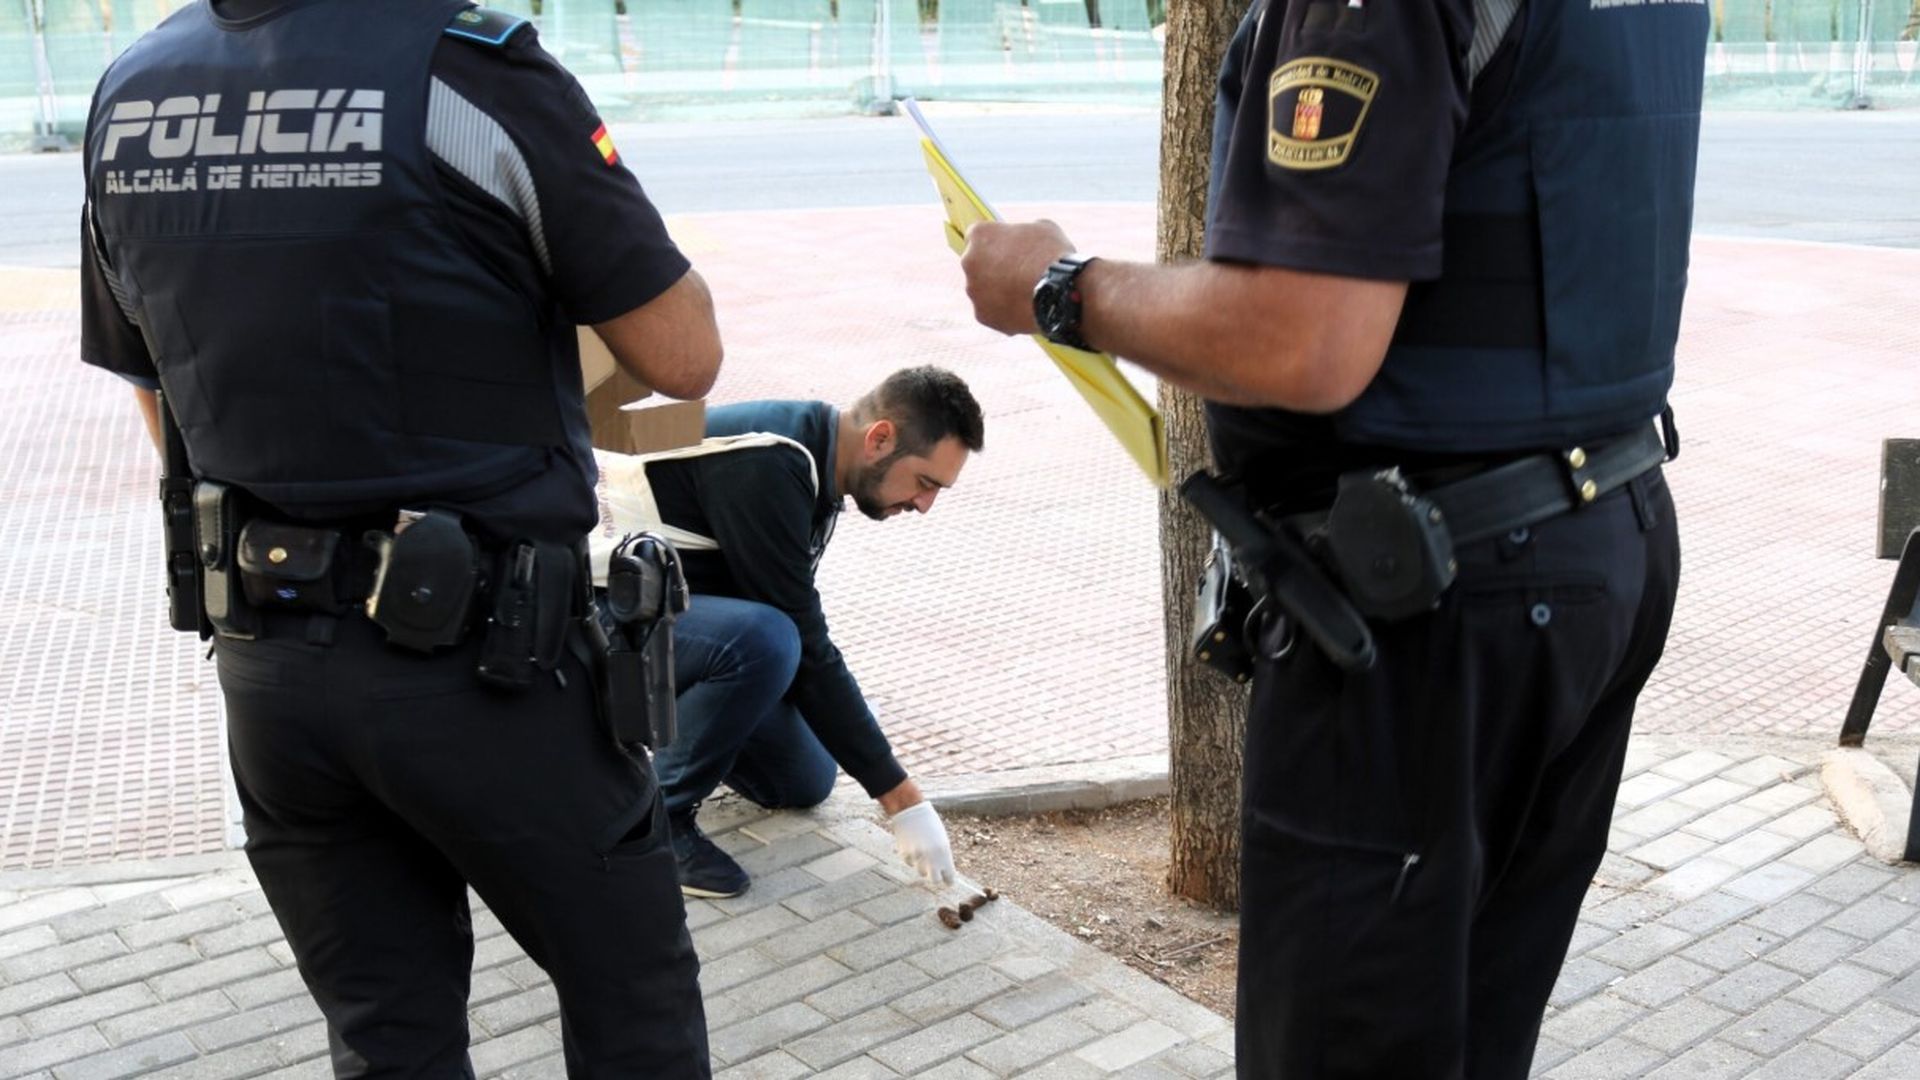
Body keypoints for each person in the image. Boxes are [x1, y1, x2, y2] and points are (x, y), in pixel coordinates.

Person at [958, 3, 1705, 1077]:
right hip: (1597, 541)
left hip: (1435, 610)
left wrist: (1059, 287)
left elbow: (1305, 341)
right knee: (1474, 1035)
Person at [81, 2, 718, 1075]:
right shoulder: (477, 73)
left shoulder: (132, 93)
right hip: (491, 676)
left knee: (387, 1033)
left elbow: (158, 395)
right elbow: (681, 354)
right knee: (632, 997)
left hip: (272, 673)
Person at [593, 366, 983, 898]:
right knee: (768, 639)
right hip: (592, 614)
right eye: (925, 482)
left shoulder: (818, 460)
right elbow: (803, 640)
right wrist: (901, 798)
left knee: (802, 779)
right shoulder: (766, 462)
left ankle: (643, 747)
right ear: (880, 438)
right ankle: (652, 822)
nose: (924, 505)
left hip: (658, 614)